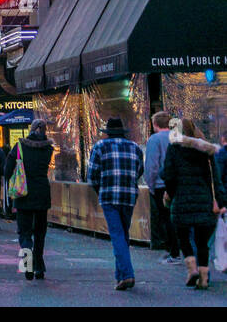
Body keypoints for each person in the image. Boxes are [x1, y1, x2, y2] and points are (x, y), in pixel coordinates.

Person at [161, 117, 227, 290]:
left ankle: (192, 270)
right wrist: (221, 201)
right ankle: (204, 278)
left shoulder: (174, 148)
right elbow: (215, 178)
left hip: (181, 200)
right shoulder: (207, 150)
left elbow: (167, 174)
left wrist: (172, 192)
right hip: (204, 201)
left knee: (183, 236)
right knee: (202, 241)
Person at [87, 117, 145, 291]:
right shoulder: (135, 147)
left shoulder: (99, 147)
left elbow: (92, 176)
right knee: (123, 234)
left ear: (108, 133)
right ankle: (120, 277)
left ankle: (127, 274)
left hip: (109, 196)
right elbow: (139, 170)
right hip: (129, 196)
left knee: (117, 235)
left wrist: (101, 189)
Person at [4, 120, 53, 281]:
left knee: (24, 232)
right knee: (40, 232)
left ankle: (28, 263)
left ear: (30, 129)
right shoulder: (48, 148)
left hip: (23, 192)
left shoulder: (20, 146)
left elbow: (7, 169)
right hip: (42, 192)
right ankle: (39, 267)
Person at [144, 111, 179, 263]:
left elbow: (152, 165)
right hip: (178, 184)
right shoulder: (178, 138)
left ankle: (173, 251)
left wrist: (150, 185)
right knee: (176, 217)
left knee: (165, 218)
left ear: (155, 124)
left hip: (160, 184)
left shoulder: (154, 139)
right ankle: (179, 250)